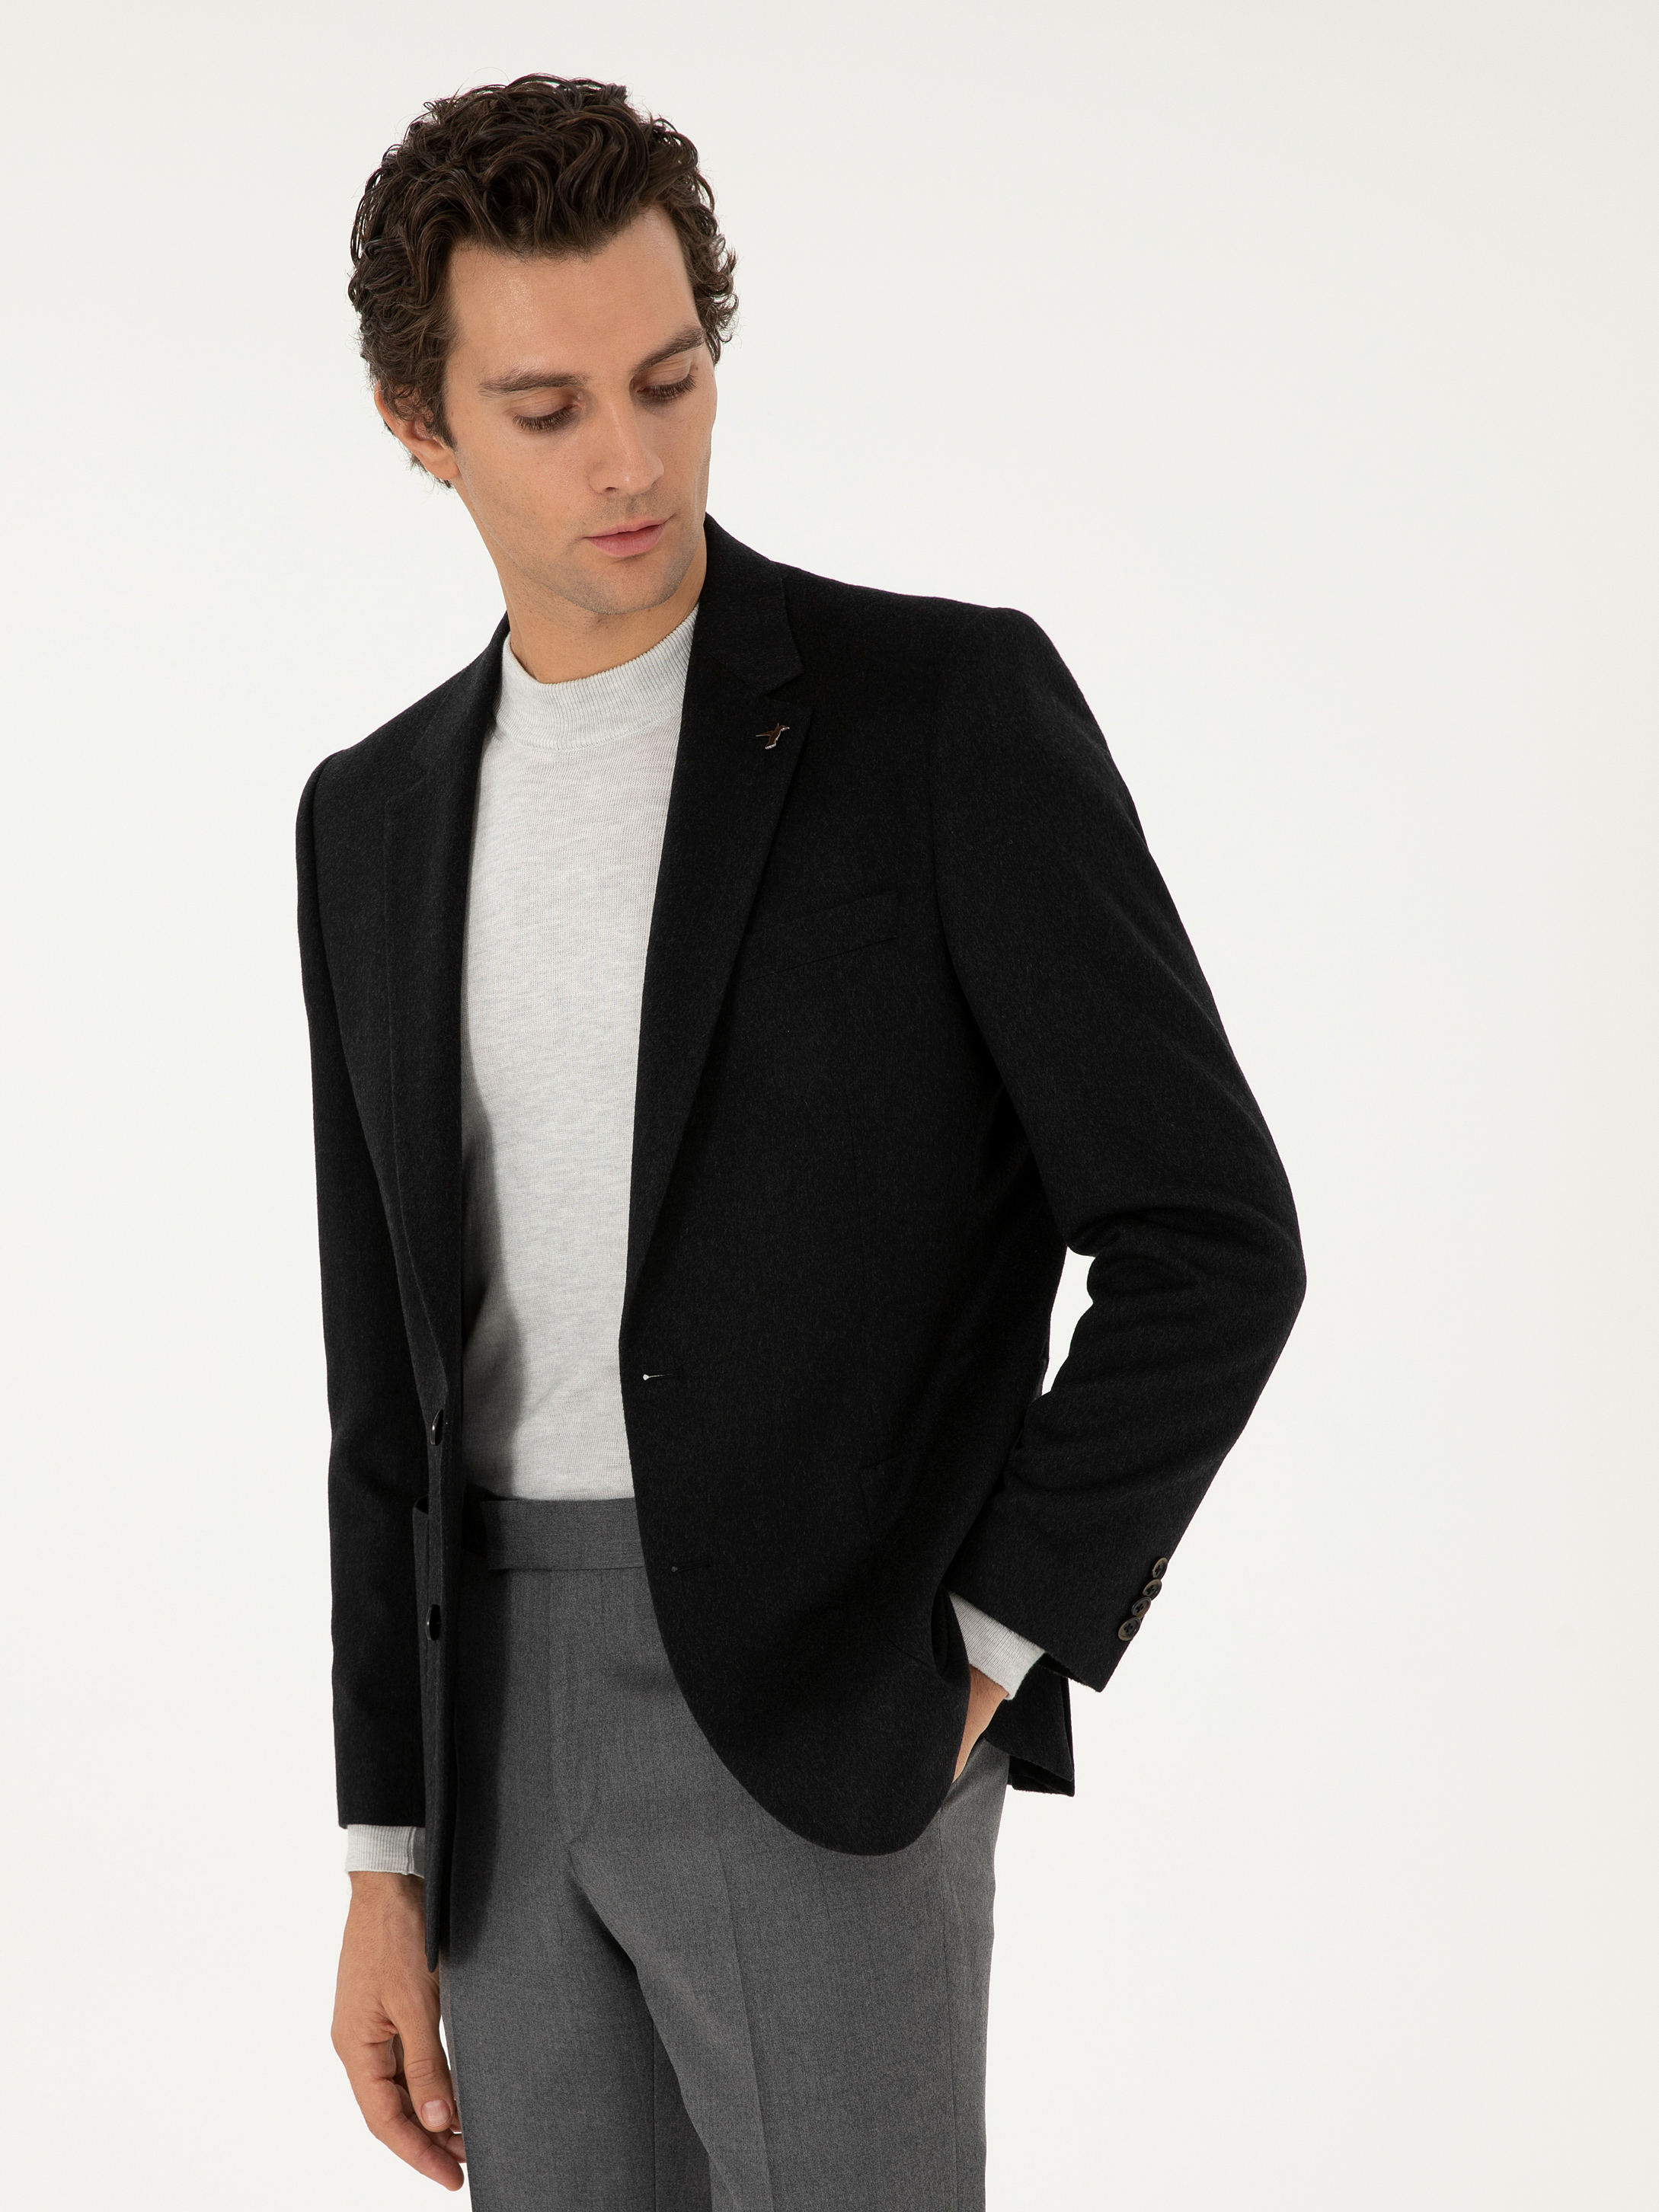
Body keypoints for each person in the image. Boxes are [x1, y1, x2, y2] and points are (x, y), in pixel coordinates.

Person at [298, 72, 1305, 2211]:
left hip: (834, 1696)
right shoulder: (368, 819)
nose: (632, 458)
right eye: (548, 406)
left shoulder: (939, 716)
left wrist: (989, 1645)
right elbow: (385, 1375)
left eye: (670, 379)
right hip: (492, 1736)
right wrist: (384, 1850)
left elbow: (1210, 1235)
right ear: (418, 424)